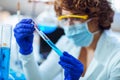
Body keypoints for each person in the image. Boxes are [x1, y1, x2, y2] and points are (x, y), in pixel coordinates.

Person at [13, 0, 120, 80]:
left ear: (97, 20)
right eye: (65, 19)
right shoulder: (66, 42)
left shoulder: (116, 56)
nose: (69, 26)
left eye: (77, 18)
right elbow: (39, 78)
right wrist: (26, 52)